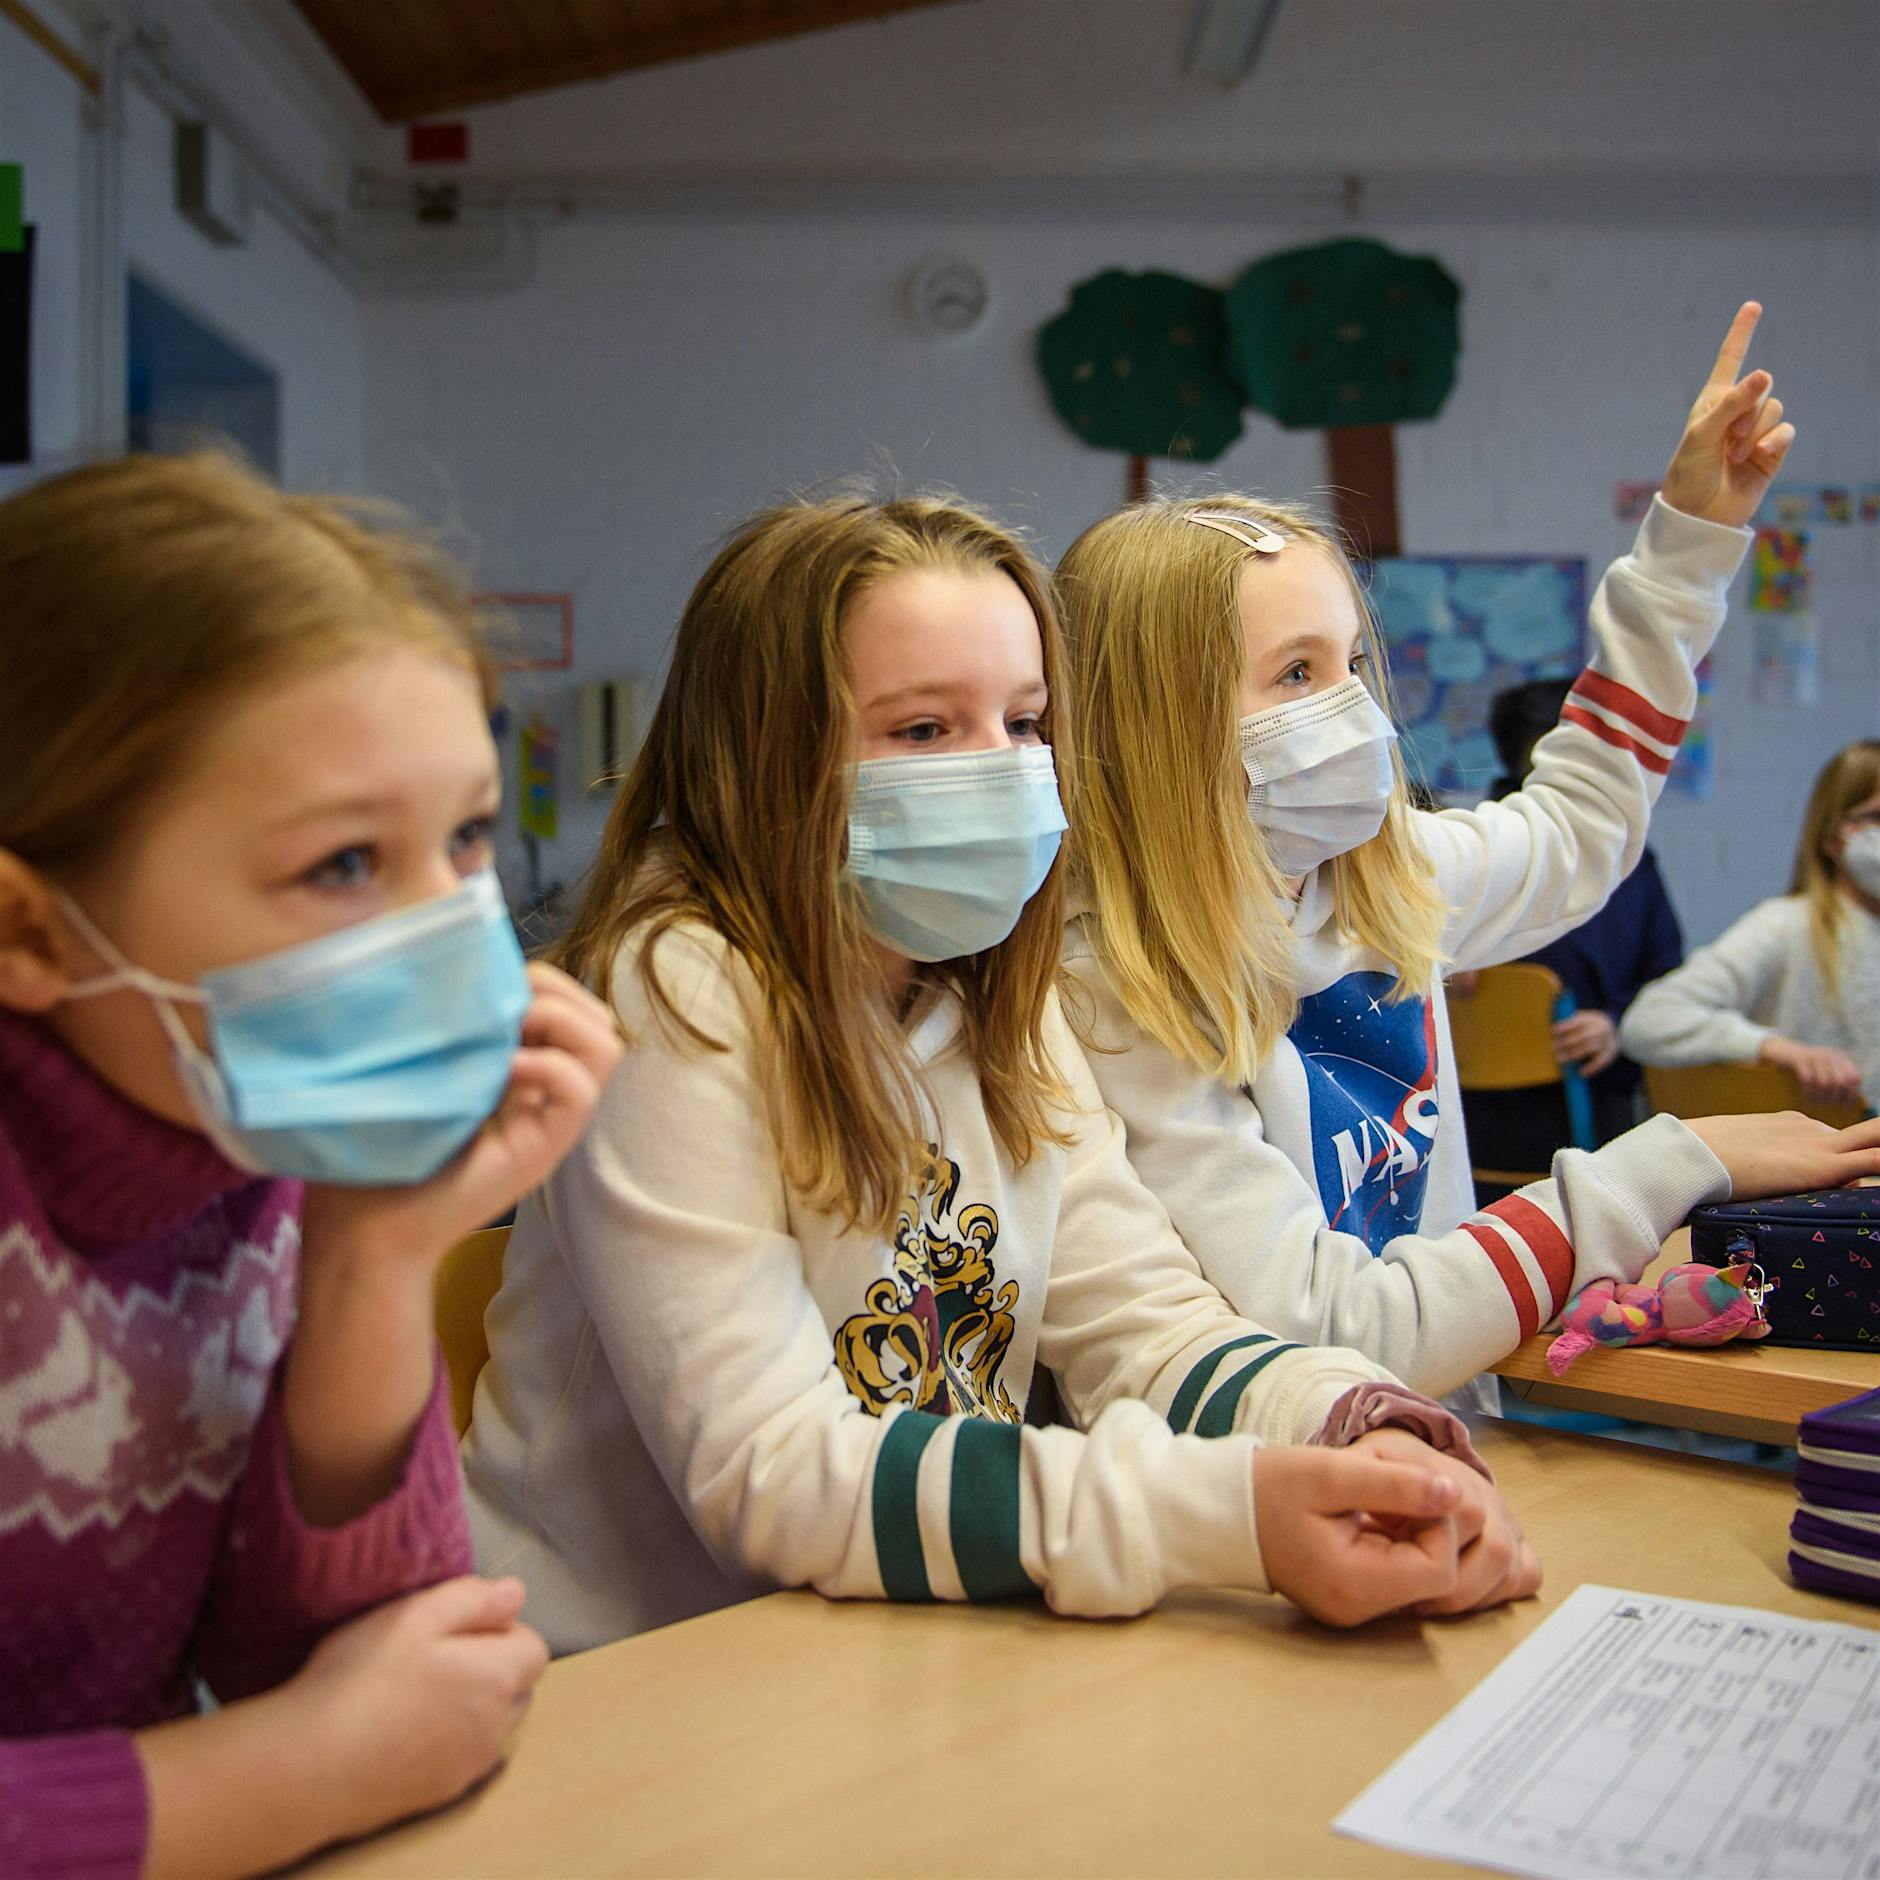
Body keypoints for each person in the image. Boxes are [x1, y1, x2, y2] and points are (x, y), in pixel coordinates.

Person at [464, 491, 1543, 1655]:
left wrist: (1348, 1431)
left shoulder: (985, 984)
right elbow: (767, 1472)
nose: (999, 771)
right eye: (923, 730)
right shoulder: (672, 984)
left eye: (1024, 723)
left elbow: (1146, 1325)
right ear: (768, 751)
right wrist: (1233, 1515)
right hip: (628, 1679)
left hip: (892, 1643)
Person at [1053, 304, 1879, 1402]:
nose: (1352, 710)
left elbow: (1584, 824)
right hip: (1257, 1503)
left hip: (1445, 1450)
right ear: (1157, 721)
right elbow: (1336, 1330)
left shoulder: (1386, 881)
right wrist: (1673, 1158)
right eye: (1295, 672)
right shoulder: (1113, 983)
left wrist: (1685, 540)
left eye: (1350, 659)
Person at [0, 454, 621, 1880]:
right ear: (31, 937)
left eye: (465, 838)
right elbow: (340, 1732)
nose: (449, 931)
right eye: (344, 864)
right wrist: (294, 1773)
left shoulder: (243, 1132)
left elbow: (356, 1658)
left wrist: (372, 1254)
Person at [1457, 676, 1686, 1170]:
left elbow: (1668, 977)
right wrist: (1443, 960)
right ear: (1521, 762)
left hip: (1598, 1094)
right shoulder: (1473, 852)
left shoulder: (1629, 862)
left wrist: (1617, 1024)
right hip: (1479, 1110)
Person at [1622, 739, 1880, 1112]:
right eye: (1876, 817)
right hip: (1820, 1155)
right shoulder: (1786, 926)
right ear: (1833, 837)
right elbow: (1650, 1019)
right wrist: (1774, 1049)